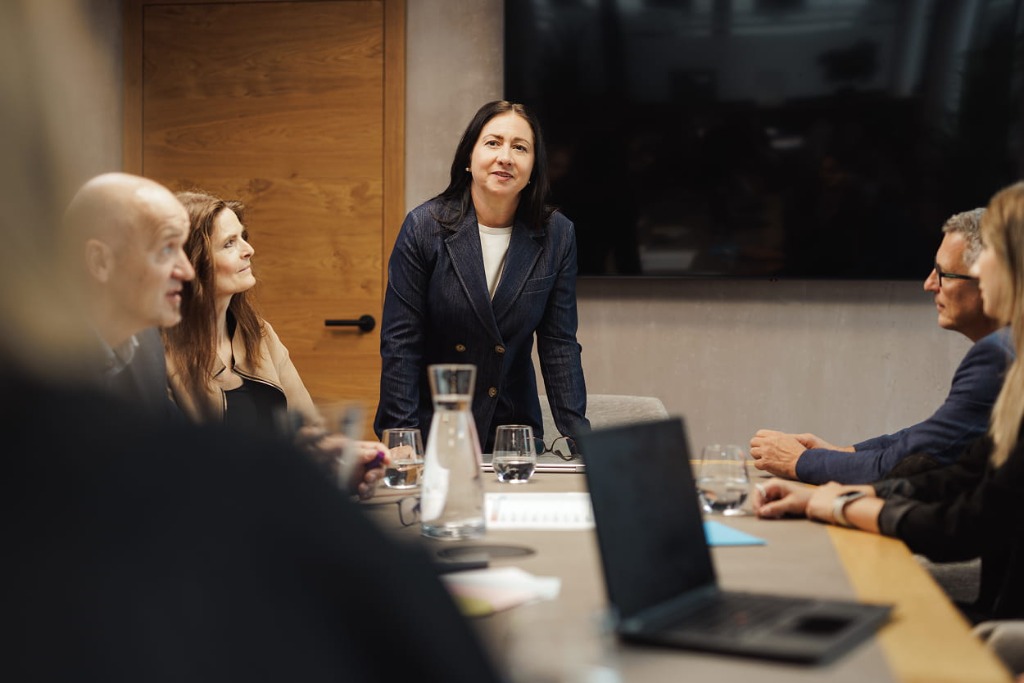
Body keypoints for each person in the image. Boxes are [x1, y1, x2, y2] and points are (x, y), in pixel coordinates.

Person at [4, 4, 502, 680]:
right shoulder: (147, 363)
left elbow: (297, 437)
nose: (192, 265)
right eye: (219, 243)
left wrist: (325, 460)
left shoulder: (237, 338)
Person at [752, 181, 1024, 626]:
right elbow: (954, 475)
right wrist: (831, 493)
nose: (929, 283)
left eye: (990, 251)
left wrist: (838, 501)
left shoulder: (1003, 355)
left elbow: (962, 523)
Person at [375, 100, 590, 452]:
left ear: (534, 166)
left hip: (512, 428)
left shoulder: (557, 234)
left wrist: (580, 441)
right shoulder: (424, 227)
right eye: (493, 143)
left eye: (520, 148)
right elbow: (401, 343)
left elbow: (559, 344)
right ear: (468, 157)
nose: (505, 157)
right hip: (436, 425)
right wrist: (401, 435)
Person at [750, 208, 1011, 484]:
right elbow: (930, 436)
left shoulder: (997, 356)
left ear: (992, 282)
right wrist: (844, 453)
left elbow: (909, 463)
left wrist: (798, 461)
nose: (929, 284)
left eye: (943, 273)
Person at [163, 190, 387, 498]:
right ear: (192, 262)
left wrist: (341, 466)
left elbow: (311, 437)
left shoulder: (260, 335)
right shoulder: (158, 352)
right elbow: (177, 472)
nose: (249, 250)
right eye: (230, 243)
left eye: (243, 237)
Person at [61, 172, 195, 418]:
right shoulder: (35, 365)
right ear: (100, 261)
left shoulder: (145, 340)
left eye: (182, 248)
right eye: (167, 248)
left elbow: (168, 436)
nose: (187, 272)